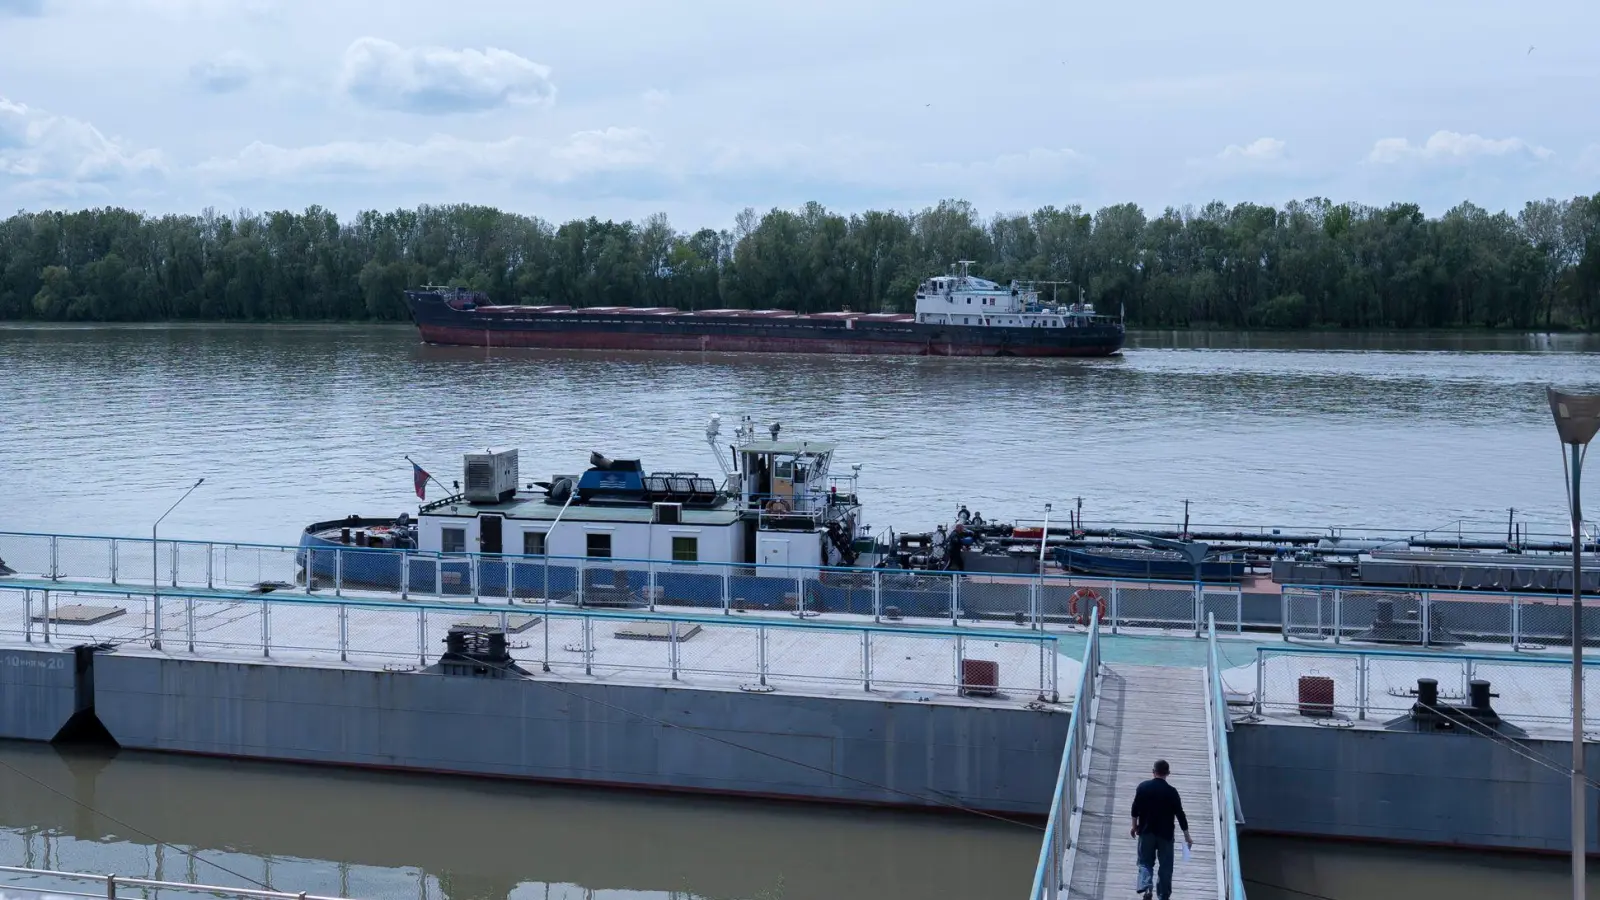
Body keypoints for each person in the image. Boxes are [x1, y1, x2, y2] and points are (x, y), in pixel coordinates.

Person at [1130, 759, 1192, 900]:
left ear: (1153, 772)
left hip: (1146, 832)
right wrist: (1187, 836)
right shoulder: (1172, 792)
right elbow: (1180, 815)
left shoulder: (1143, 787)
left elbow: (1134, 810)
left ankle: (1146, 887)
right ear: (1168, 773)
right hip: (1166, 835)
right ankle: (1163, 896)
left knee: (1145, 862)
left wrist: (1134, 827)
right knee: (1165, 866)